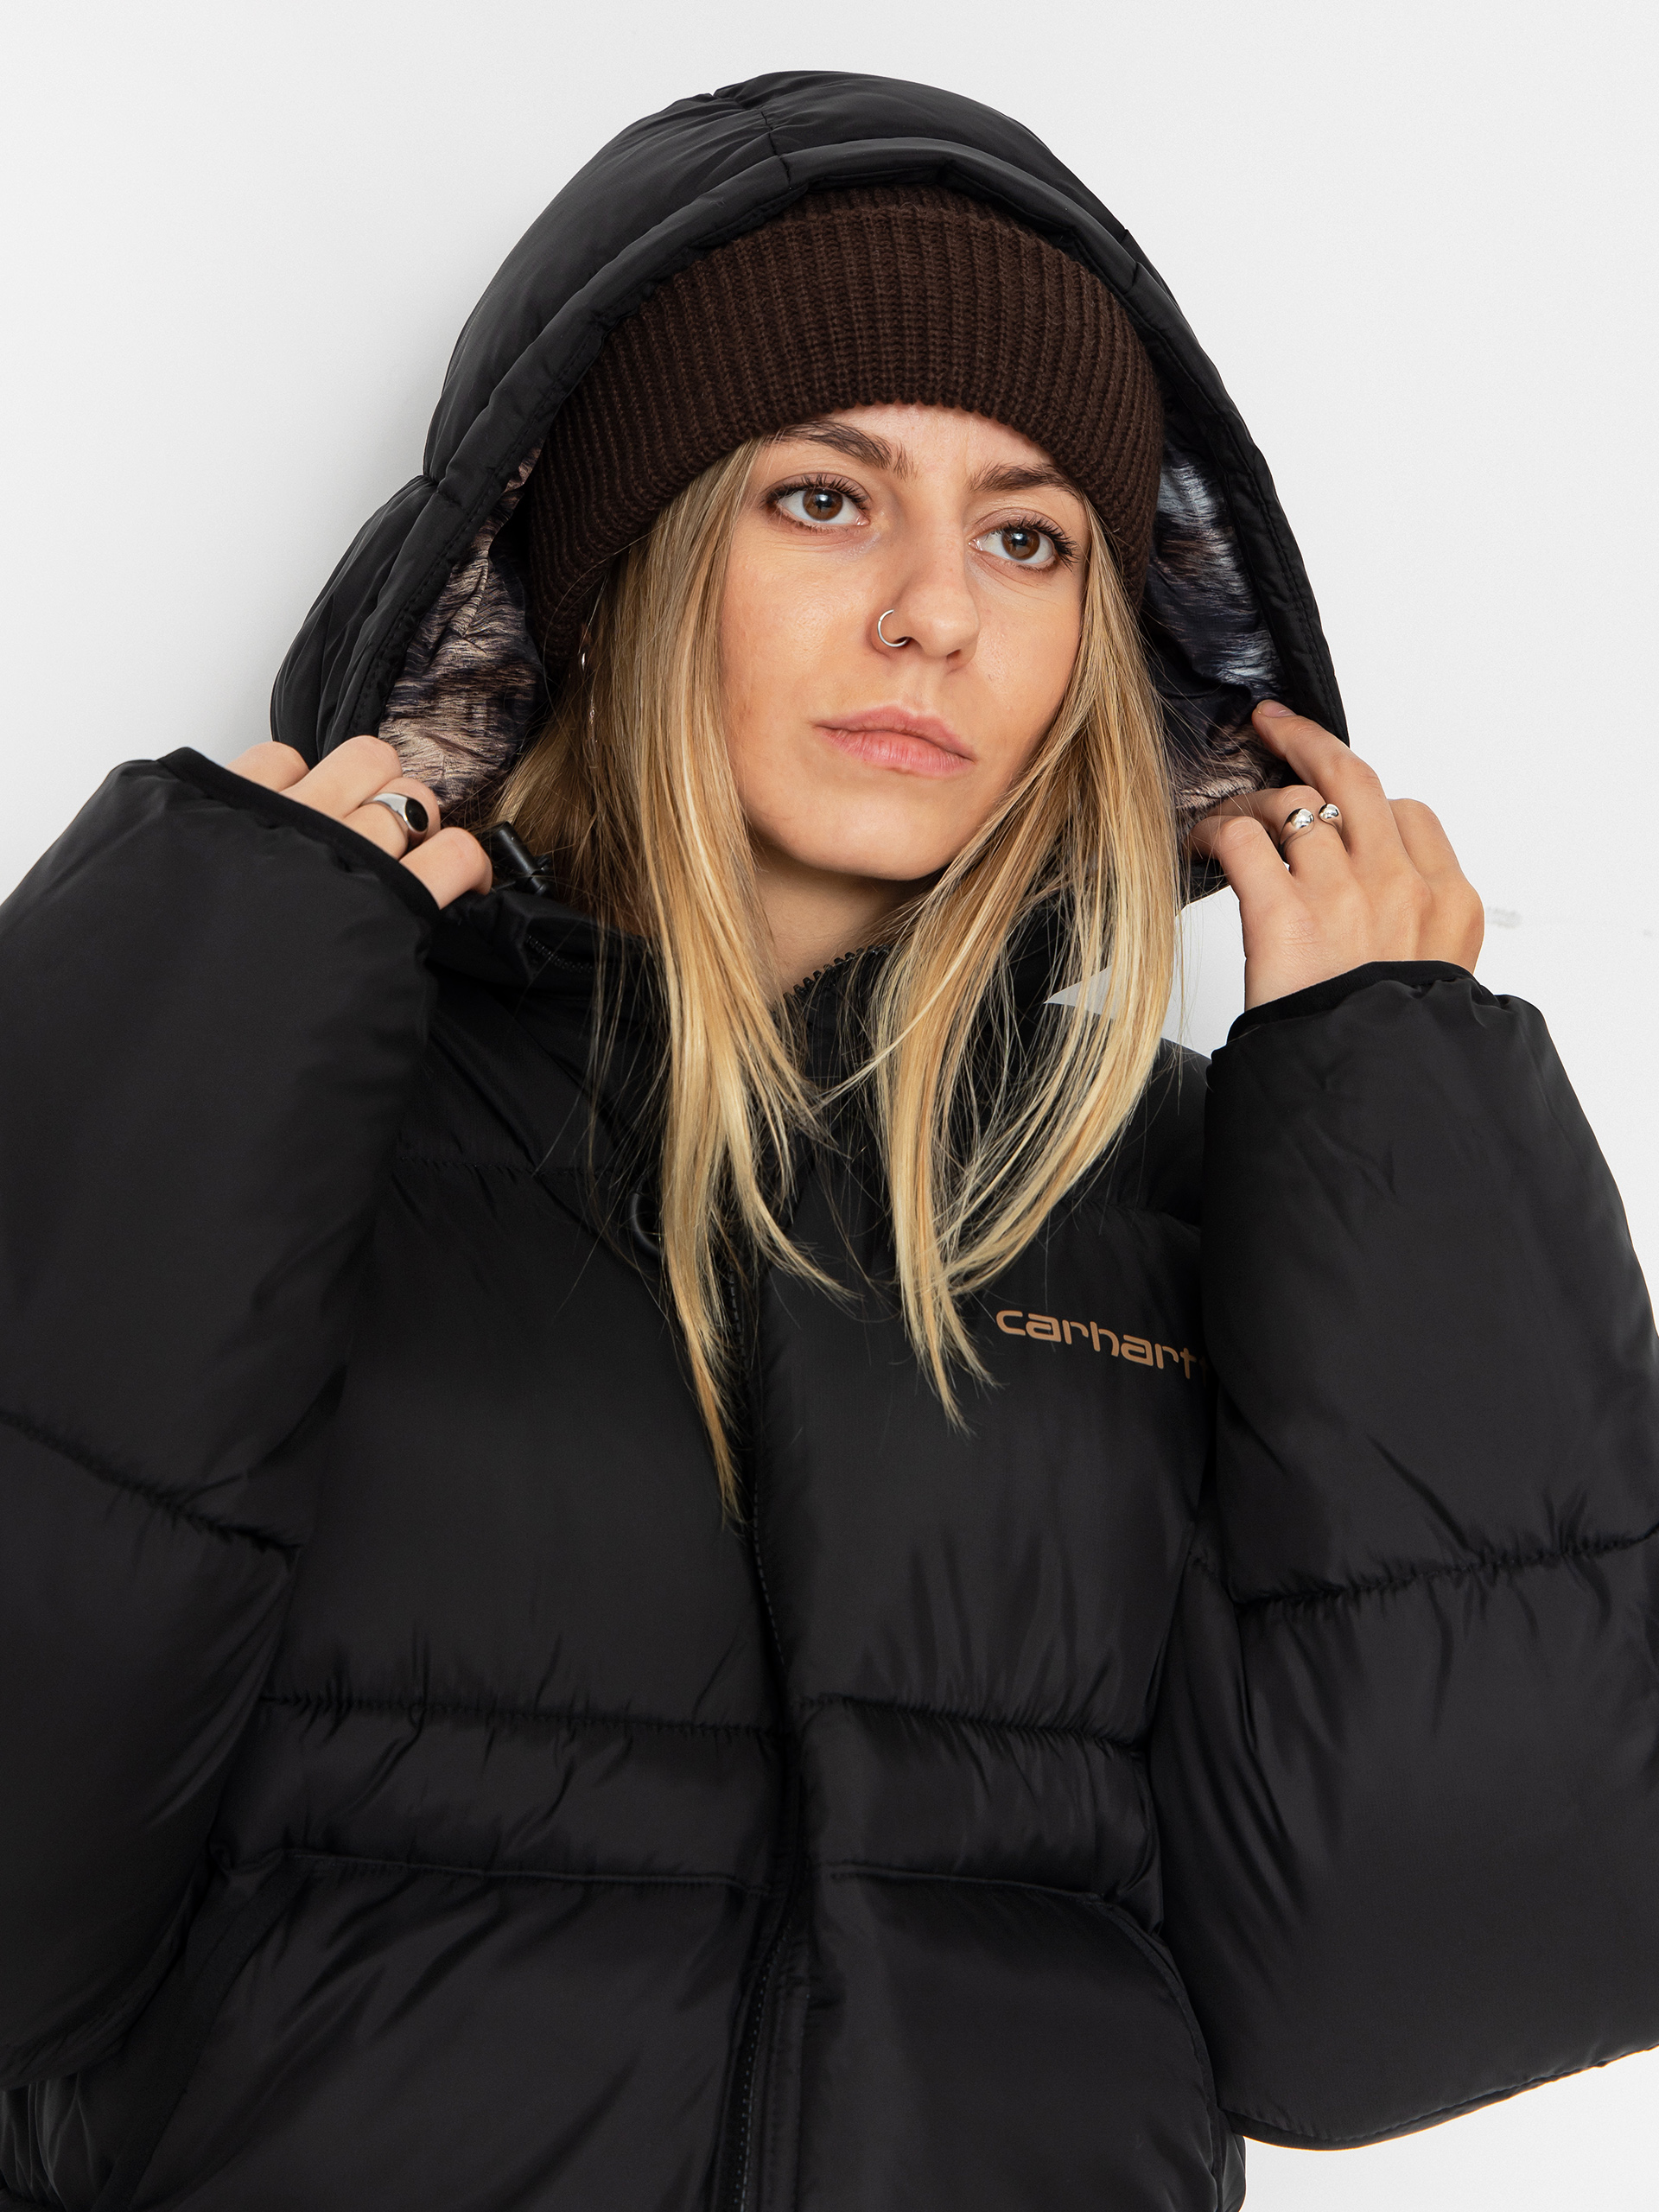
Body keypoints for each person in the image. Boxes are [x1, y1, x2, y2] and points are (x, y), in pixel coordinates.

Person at [1, 68, 1656, 2212]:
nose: (937, 613)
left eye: (1028, 535)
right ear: (614, 559)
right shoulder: (290, 1086)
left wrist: (1405, 1107)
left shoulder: (1172, 1189)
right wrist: (196, 986)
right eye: (821, 496)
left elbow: (1425, 1979)